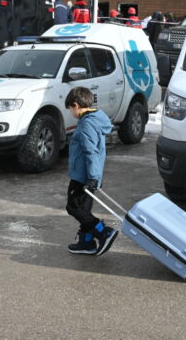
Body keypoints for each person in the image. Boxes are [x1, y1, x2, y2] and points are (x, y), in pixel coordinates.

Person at [64, 86, 118, 256]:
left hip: (83, 177)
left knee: (73, 208)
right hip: (89, 175)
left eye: (70, 109)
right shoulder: (94, 119)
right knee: (84, 210)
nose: (71, 113)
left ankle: (103, 232)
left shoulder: (87, 124)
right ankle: (86, 242)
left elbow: (91, 152)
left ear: (76, 105)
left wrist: (93, 178)